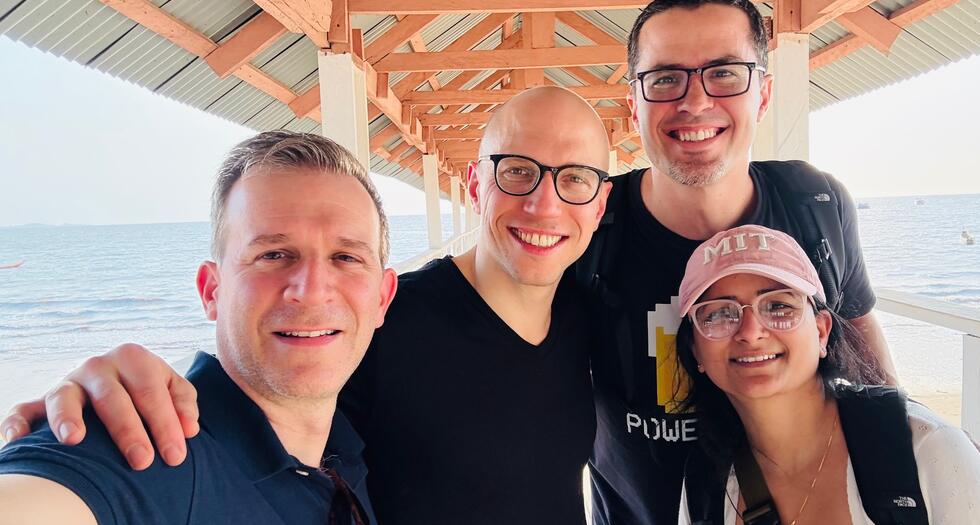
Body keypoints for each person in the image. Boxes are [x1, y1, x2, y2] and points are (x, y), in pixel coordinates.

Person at [1, 86, 613, 525]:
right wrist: (107, 395)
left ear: (600, 202)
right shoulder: (375, 332)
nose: (544, 205)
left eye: (575, 179)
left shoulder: (595, 318)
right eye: (518, 173)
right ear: (476, 185)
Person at [579, 1, 898, 522]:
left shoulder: (815, 205)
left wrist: (910, 443)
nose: (696, 102)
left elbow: (863, 344)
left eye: (725, 73)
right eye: (664, 79)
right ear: (633, 101)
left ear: (764, 93)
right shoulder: (592, 224)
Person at [0, 131, 398, 524]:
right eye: (273, 254)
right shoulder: (148, 450)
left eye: (345, 257)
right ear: (212, 291)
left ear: (382, 298)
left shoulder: (347, 453)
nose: (311, 292)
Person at [671, 224, 980, 524]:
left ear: (821, 331)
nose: (750, 331)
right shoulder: (706, 483)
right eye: (718, 314)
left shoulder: (924, 448)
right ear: (696, 350)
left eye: (778, 305)